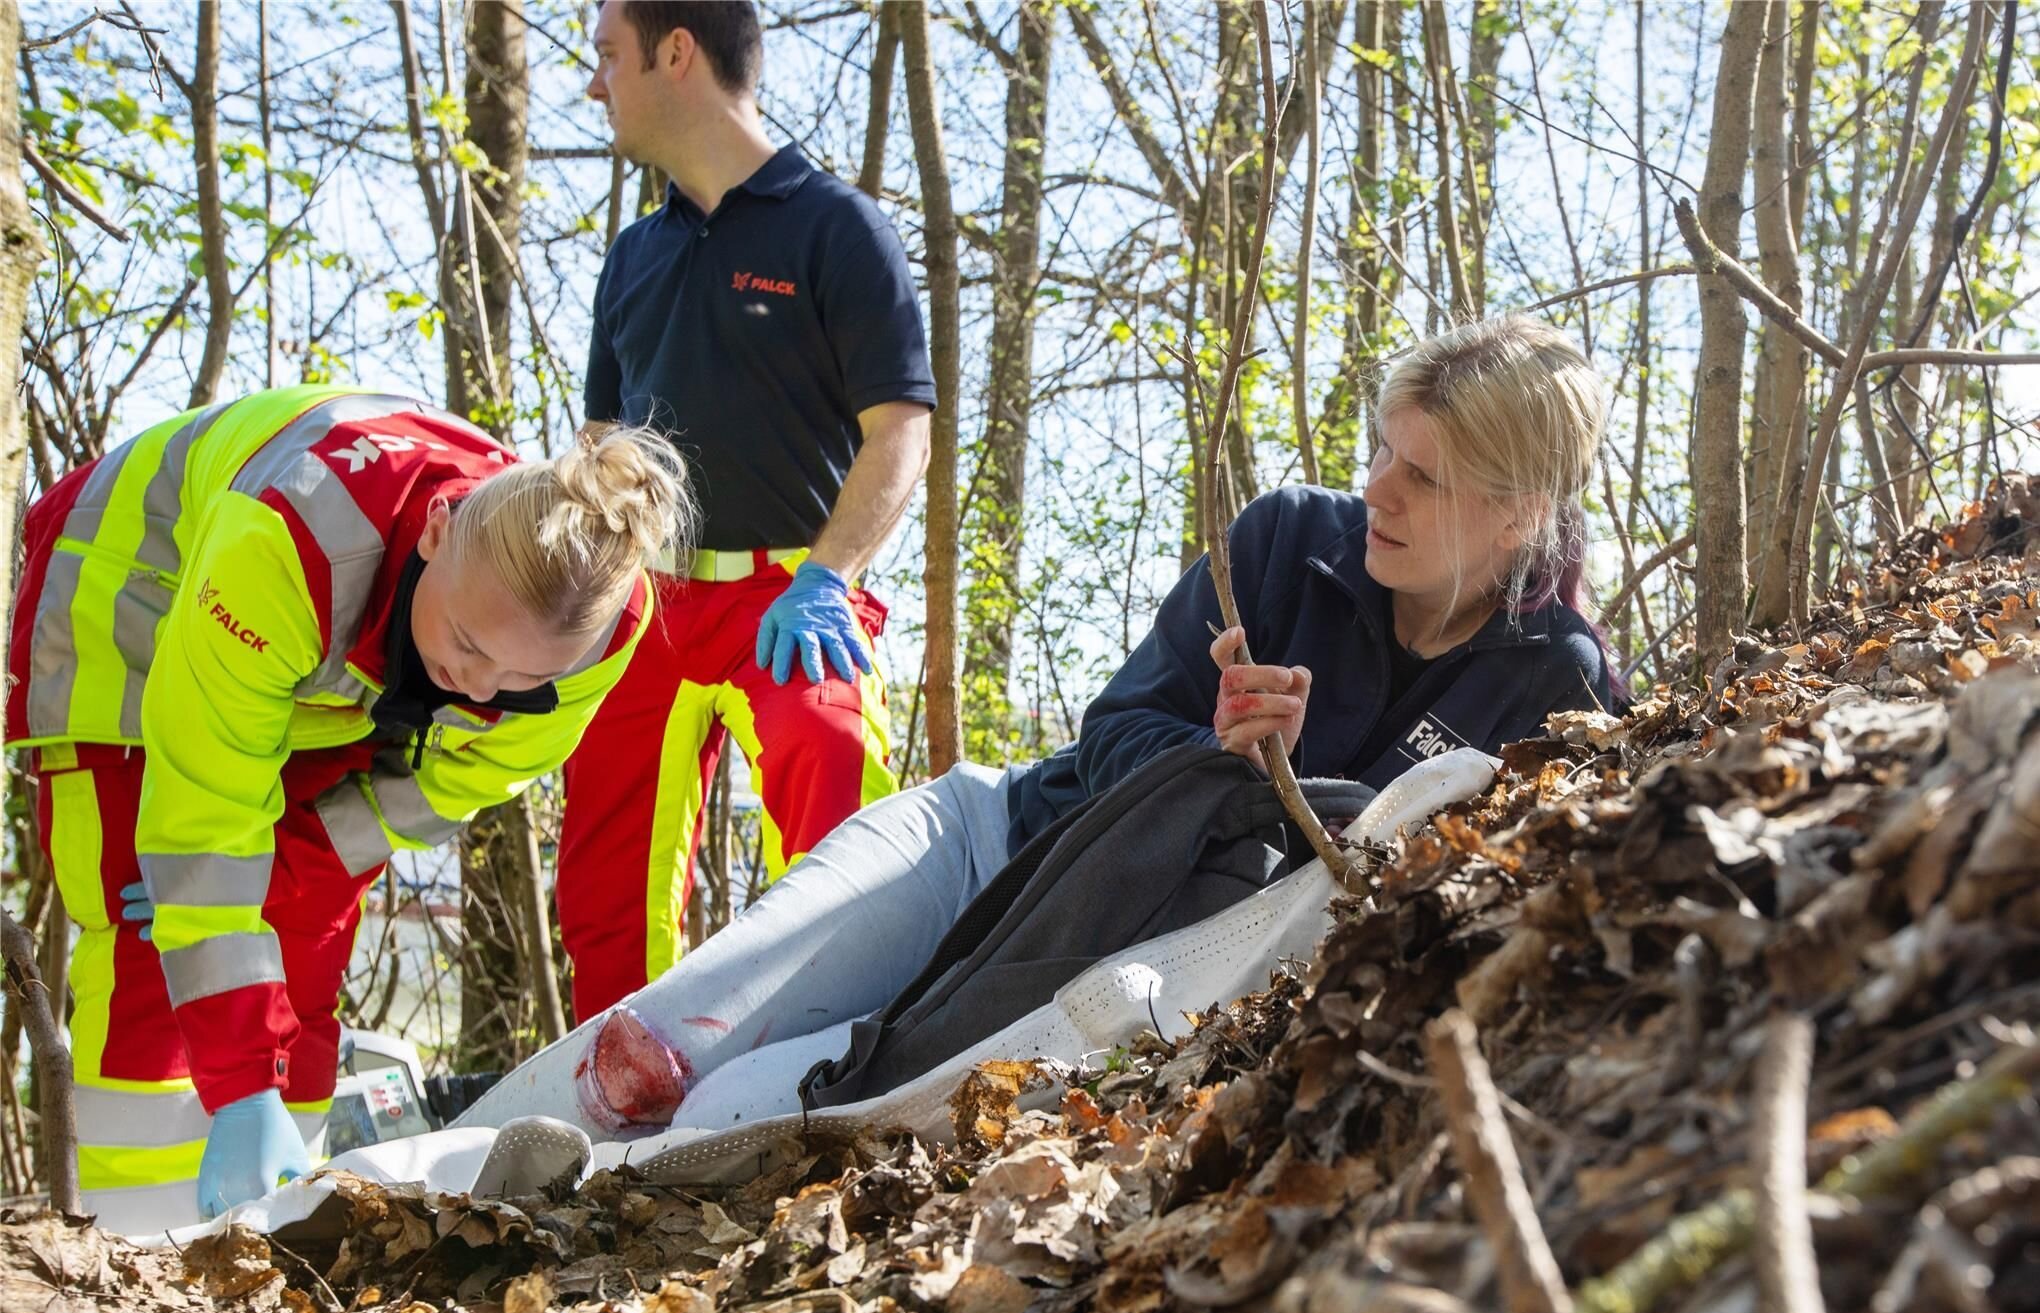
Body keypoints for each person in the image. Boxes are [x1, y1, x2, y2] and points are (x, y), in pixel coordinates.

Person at [568, 313, 1621, 1131]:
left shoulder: (1553, 685)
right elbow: (1115, 723)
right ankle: (439, 1187)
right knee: (640, 1051)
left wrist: (1282, 798)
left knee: (717, 1109)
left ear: (1519, 513)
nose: (1375, 489)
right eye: (1383, 450)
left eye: (1422, 476)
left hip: (1094, 971)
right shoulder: (1289, 541)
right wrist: (1219, 757)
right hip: (993, 839)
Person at [4, 387, 690, 1230]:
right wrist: (242, 1080)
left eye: (522, 682)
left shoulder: (601, 625)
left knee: (308, 927)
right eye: (471, 646)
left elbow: (453, 784)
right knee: (152, 951)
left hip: (328, 676)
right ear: (438, 529)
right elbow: (205, 808)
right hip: (133, 612)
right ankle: (131, 1241)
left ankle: (273, 1226)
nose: (480, 688)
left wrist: (290, 874)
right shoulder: (288, 541)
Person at [557, 0, 936, 1022]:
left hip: (794, 593)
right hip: (645, 603)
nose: (596, 84)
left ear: (676, 53)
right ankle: (609, 1120)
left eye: (608, 56)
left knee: (833, 778)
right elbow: (602, 445)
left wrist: (827, 580)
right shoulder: (631, 258)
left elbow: (901, 433)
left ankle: (829, 1068)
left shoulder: (838, 228)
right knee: (599, 881)